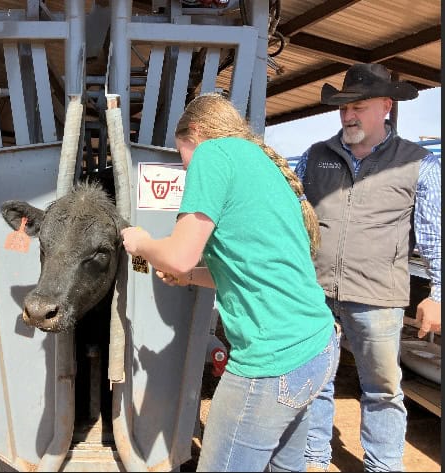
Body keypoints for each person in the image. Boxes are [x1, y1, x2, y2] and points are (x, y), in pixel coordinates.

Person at [121, 93, 339, 472]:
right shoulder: (261, 162)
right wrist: (189, 277)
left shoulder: (212, 155)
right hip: (316, 347)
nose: (185, 166)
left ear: (196, 132)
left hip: (272, 360)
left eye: (182, 153)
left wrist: (140, 242)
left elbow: (178, 254)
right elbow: (250, 270)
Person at [295, 63, 442, 472]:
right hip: (315, 293)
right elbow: (292, 216)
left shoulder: (419, 164)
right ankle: (313, 459)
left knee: (381, 389)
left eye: (358, 106)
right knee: (316, 382)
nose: (348, 115)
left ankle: (382, 466)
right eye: (343, 108)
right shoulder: (315, 157)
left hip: (378, 299)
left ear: (386, 106)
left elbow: (435, 236)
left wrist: (437, 294)